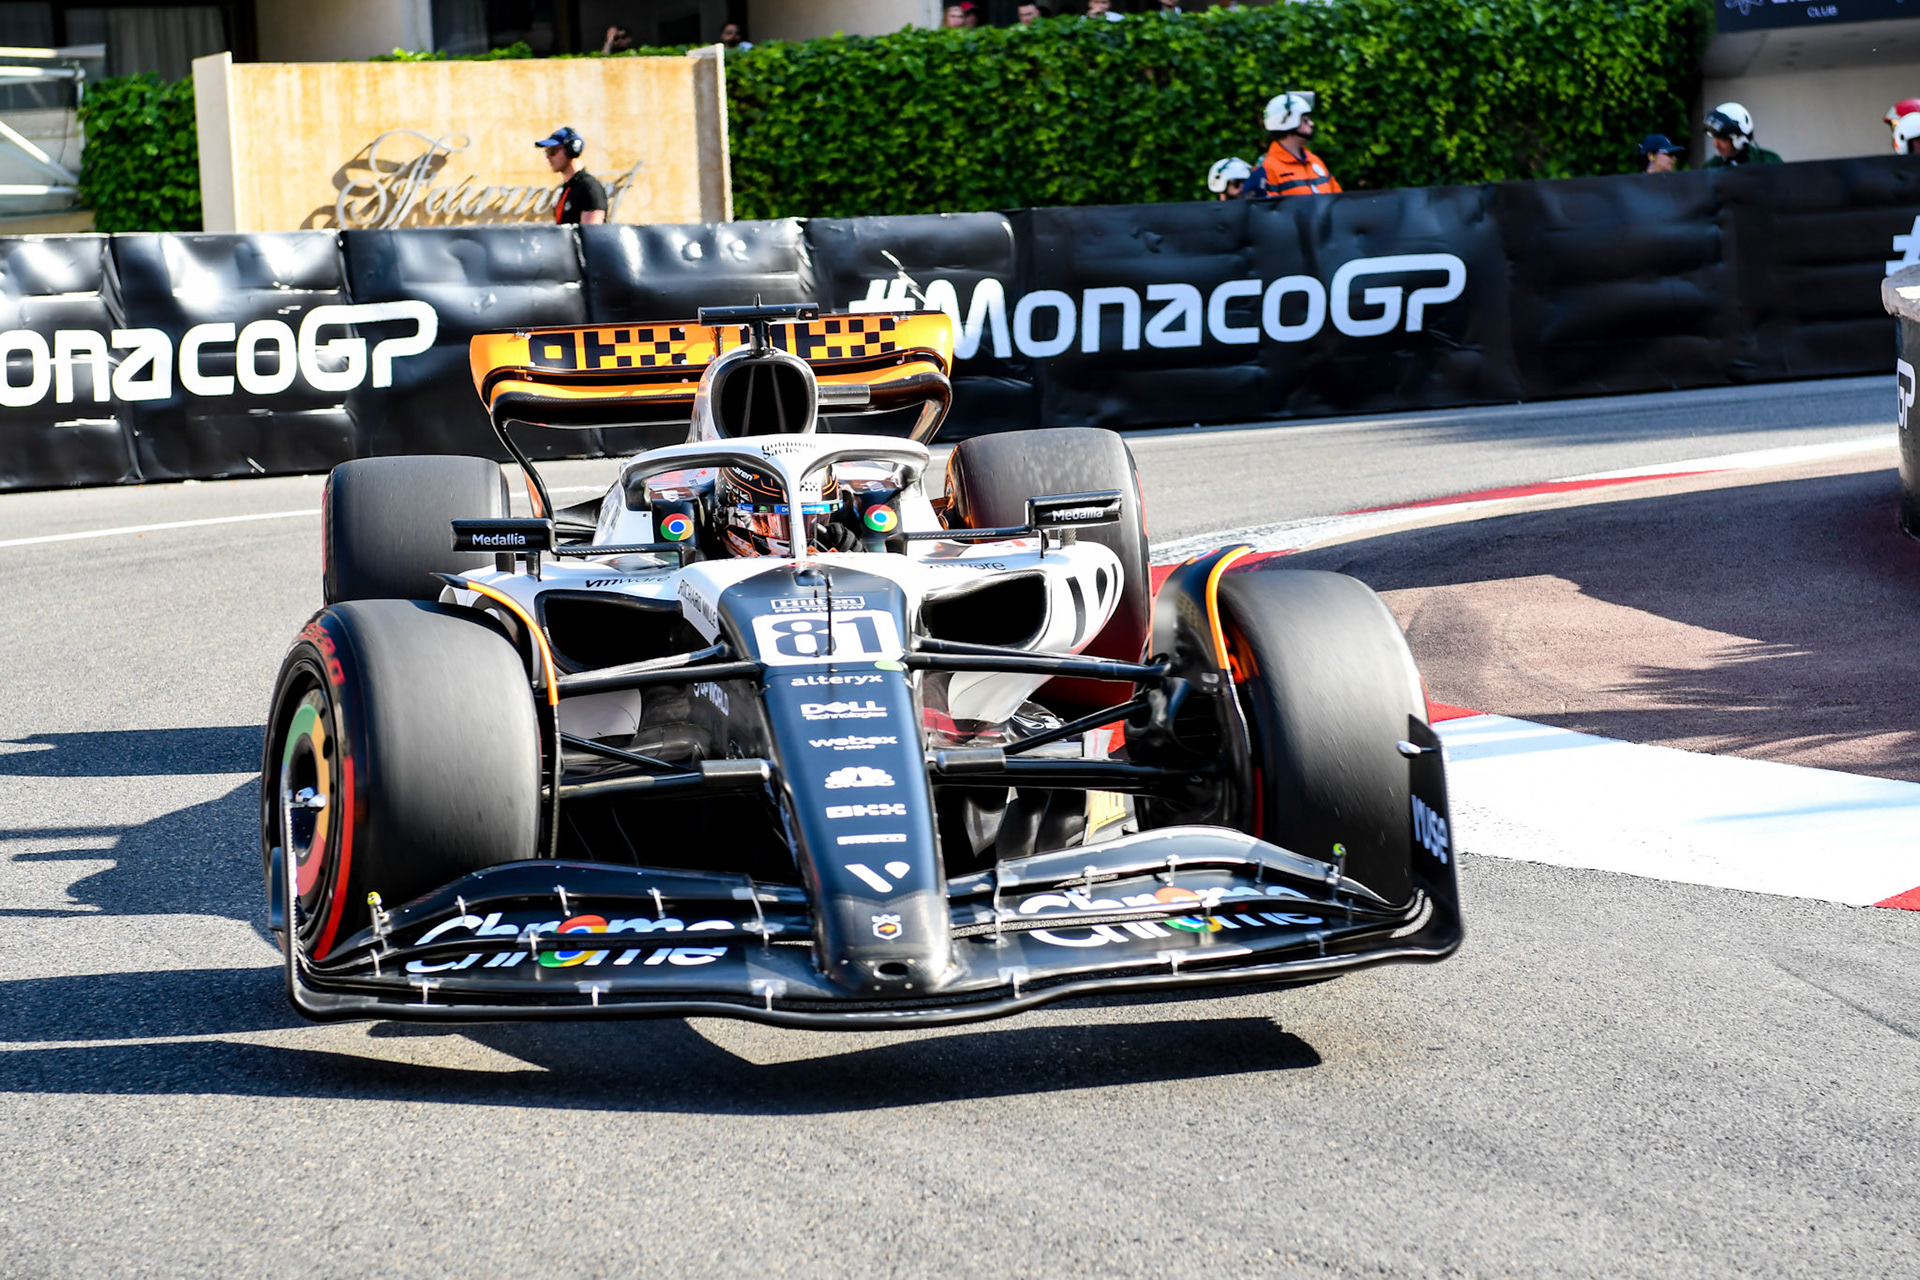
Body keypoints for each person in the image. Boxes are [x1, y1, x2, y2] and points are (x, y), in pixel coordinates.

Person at [1242, 91, 1341, 198]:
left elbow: (1338, 201)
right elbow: (1266, 211)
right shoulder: (1267, 167)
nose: (1311, 124)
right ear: (1289, 122)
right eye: (1305, 120)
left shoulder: (1314, 161)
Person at [535, 126, 607, 225]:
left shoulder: (588, 186)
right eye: (546, 152)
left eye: (552, 151)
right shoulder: (568, 188)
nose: (548, 157)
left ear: (571, 149)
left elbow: (591, 233)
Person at [1703, 103, 1781, 167]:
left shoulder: (1769, 161)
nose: (1716, 145)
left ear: (1740, 140)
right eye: (1714, 138)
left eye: (1723, 139)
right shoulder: (1711, 167)